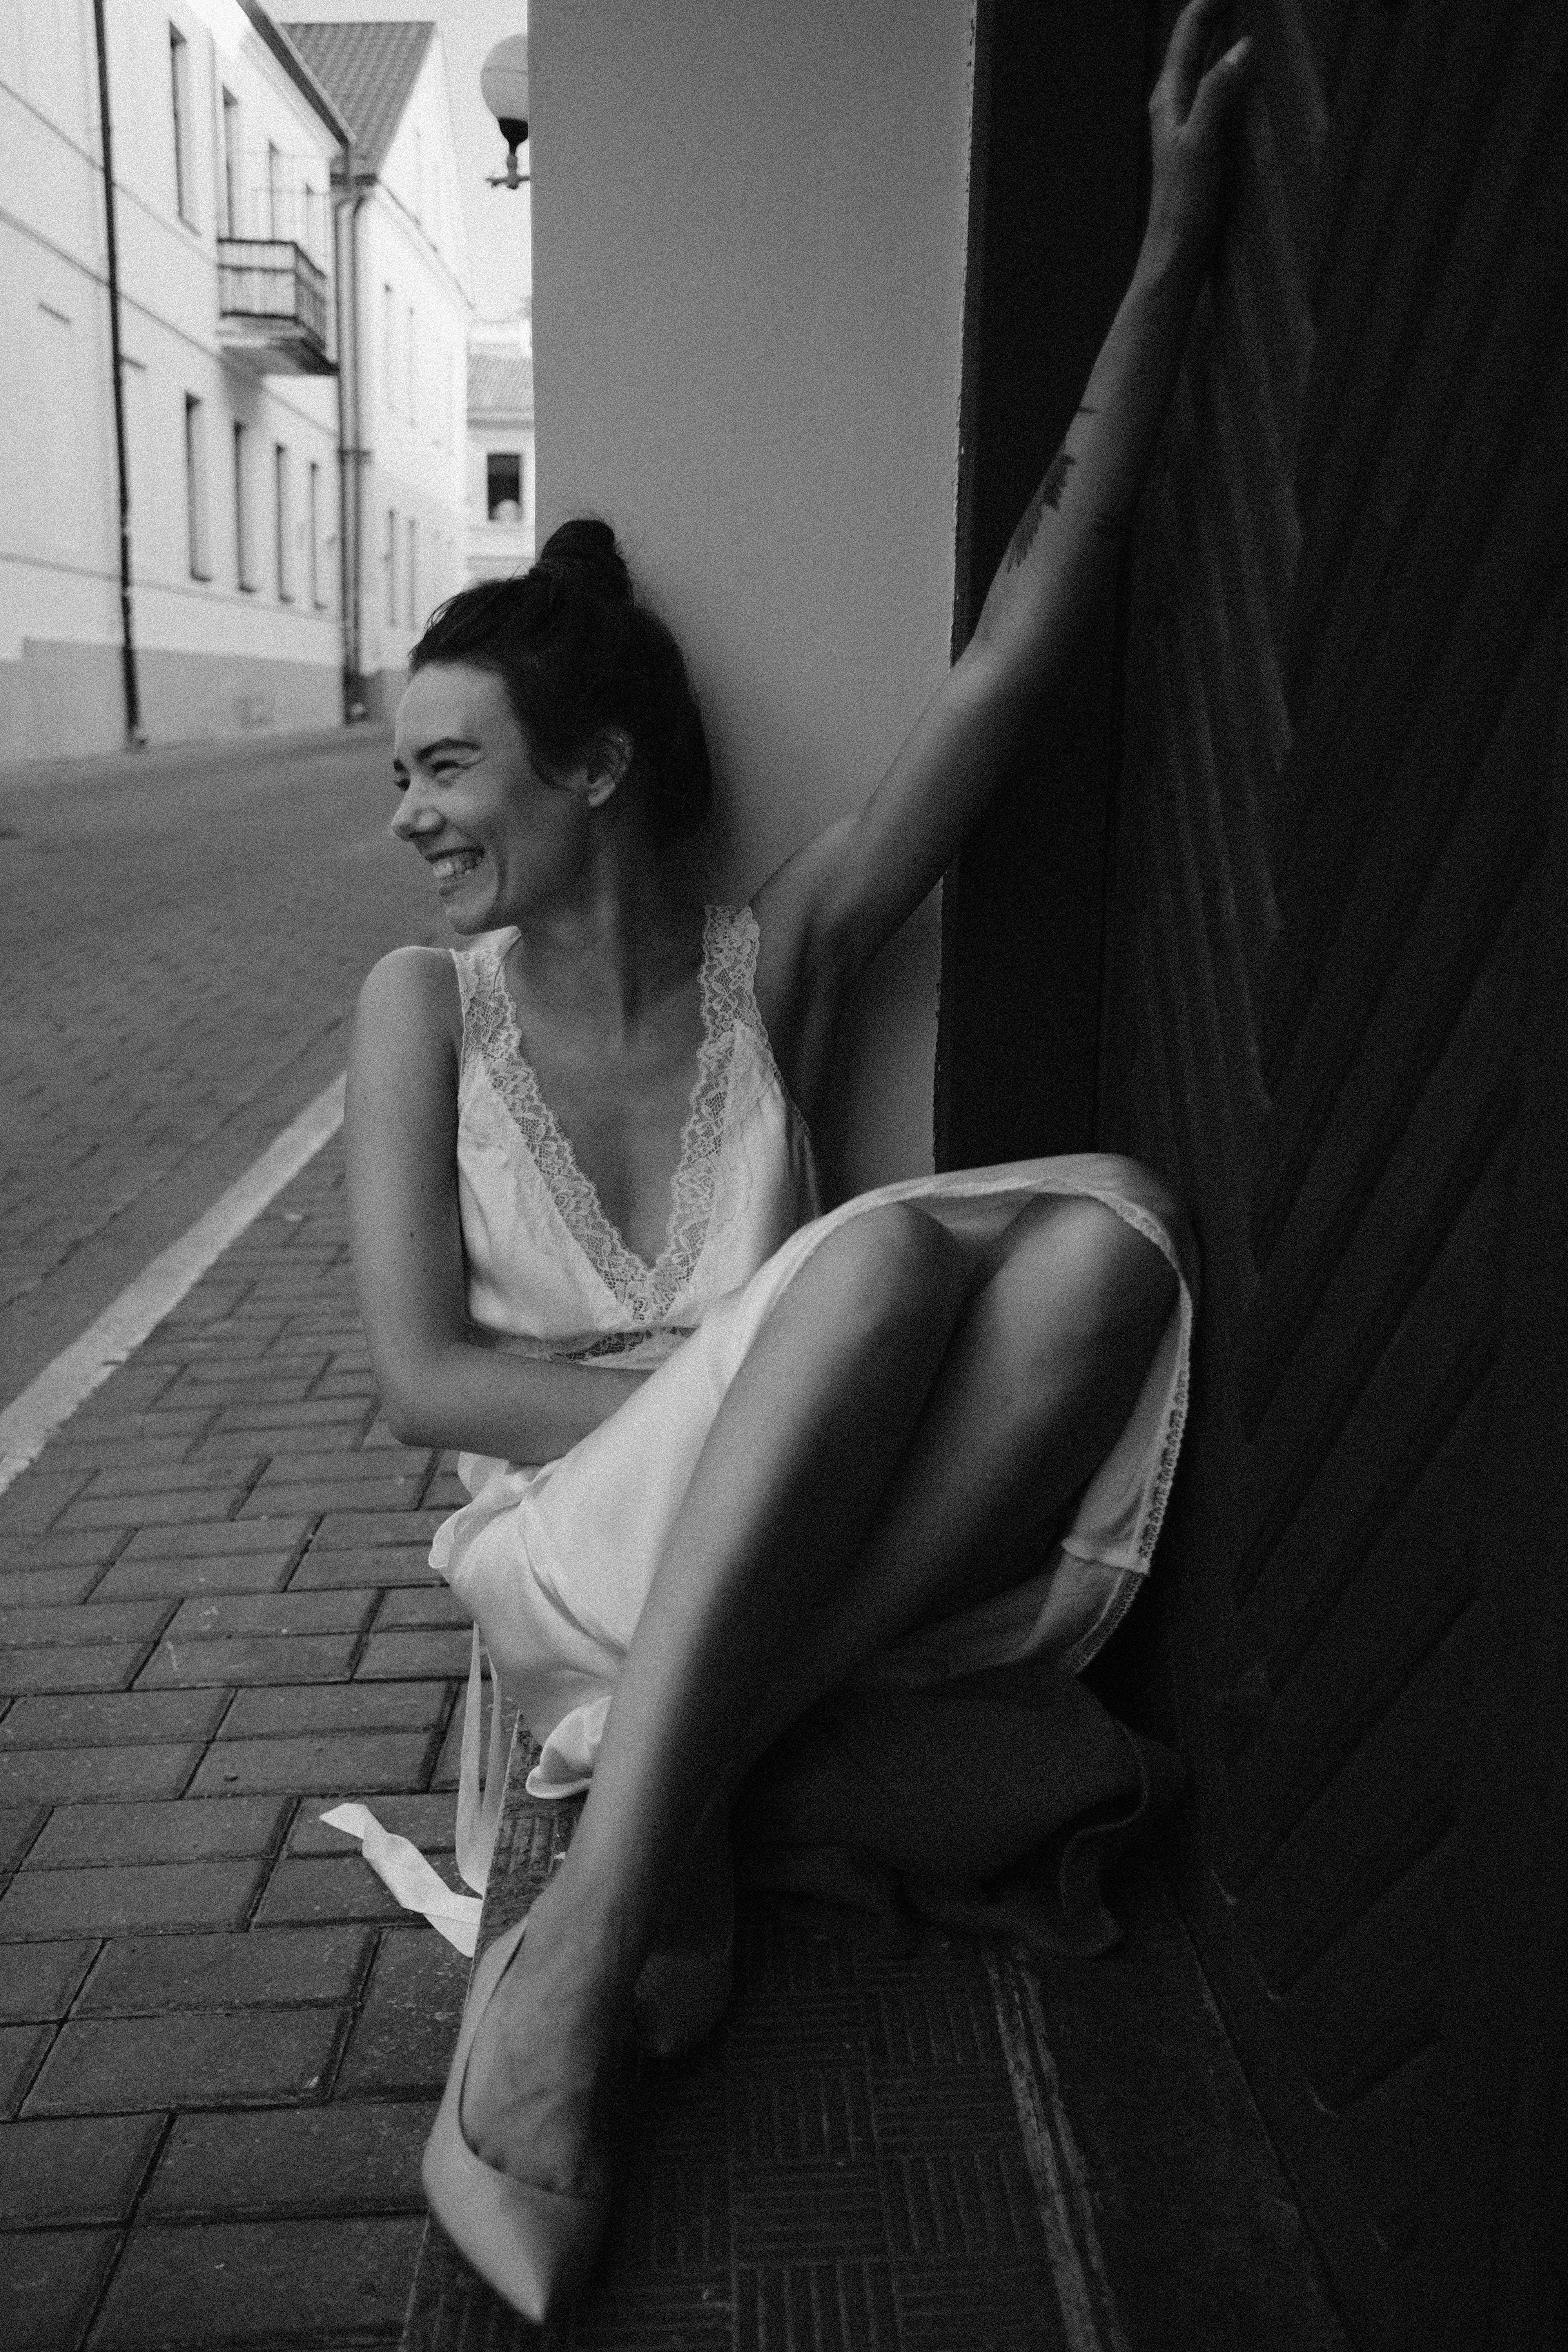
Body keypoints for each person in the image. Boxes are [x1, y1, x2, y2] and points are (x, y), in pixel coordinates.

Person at [345, 0, 1251, 2318]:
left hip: (818, 1553)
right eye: (399, 781)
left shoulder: (795, 953)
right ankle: (573, 1977)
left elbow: (1020, 654)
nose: (413, 822)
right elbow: (437, 1385)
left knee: (1114, 1248)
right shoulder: (416, 1016)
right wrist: (751, 1390)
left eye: (450, 766)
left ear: (600, 770)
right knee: (857, 1277)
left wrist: (1160, 258)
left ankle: (660, 1829)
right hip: (565, 1563)